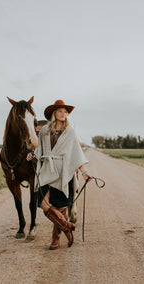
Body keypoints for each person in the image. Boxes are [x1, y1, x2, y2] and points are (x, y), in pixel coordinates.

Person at [27, 99, 92, 250]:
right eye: (60, 111)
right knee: (43, 204)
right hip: (47, 170)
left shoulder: (70, 132)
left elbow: (76, 153)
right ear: (54, 114)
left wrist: (84, 172)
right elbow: (39, 150)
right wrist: (33, 155)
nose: (63, 114)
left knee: (60, 207)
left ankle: (55, 239)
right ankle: (66, 226)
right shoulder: (44, 131)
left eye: (65, 112)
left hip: (63, 172)